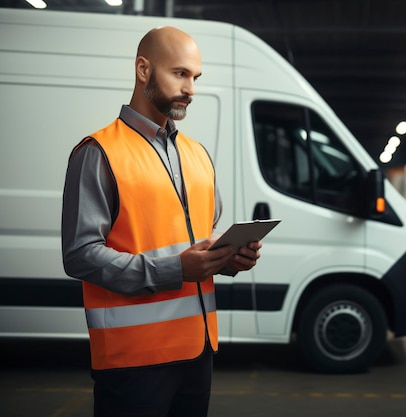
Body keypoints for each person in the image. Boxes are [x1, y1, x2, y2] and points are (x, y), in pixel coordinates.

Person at [61, 26, 262, 417]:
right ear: (143, 70)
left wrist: (229, 256)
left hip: (197, 352)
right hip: (133, 362)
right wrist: (175, 268)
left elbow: (201, 236)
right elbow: (80, 255)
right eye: (180, 74)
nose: (191, 89)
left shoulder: (197, 154)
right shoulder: (98, 153)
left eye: (196, 78)